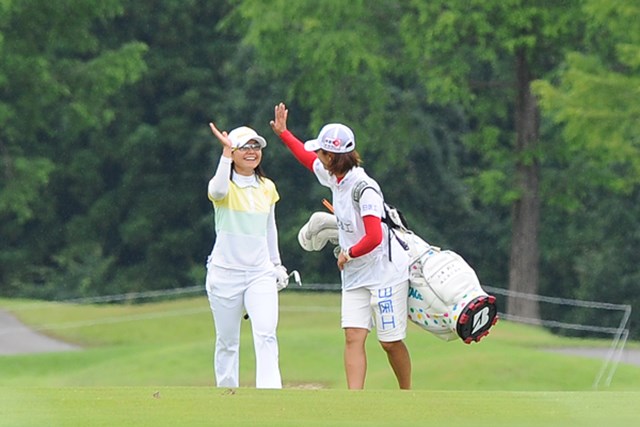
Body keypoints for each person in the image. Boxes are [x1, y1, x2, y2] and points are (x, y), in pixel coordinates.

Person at [270, 103, 412, 390]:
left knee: (389, 341)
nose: (317, 157)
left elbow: (373, 236)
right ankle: (353, 402)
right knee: (353, 335)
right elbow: (305, 158)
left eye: (322, 152)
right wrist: (284, 134)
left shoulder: (365, 188)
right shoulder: (333, 175)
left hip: (385, 272)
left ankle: (406, 393)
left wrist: (349, 252)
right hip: (355, 274)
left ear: (333, 156)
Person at [204, 122, 289, 389]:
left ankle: (270, 393)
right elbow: (217, 191)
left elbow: (269, 228)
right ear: (233, 153)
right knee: (228, 341)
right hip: (225, 273)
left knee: (266, 334)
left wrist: (277, 265)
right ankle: (227, 394)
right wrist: (225, 154)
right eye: (245, 147)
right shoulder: (223, 186)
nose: (252, 151)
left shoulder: (267, 187)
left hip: (259, 273)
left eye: (256, 146)